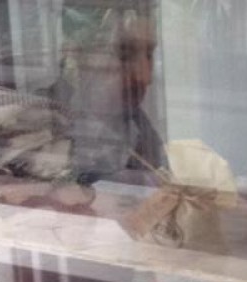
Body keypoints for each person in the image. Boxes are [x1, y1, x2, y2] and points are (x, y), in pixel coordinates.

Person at [55, 0, 166, 184]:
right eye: (125, 55)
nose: (145, 77)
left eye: (149, 55)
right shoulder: (39, 125)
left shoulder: (141, 130)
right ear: (75, 54)